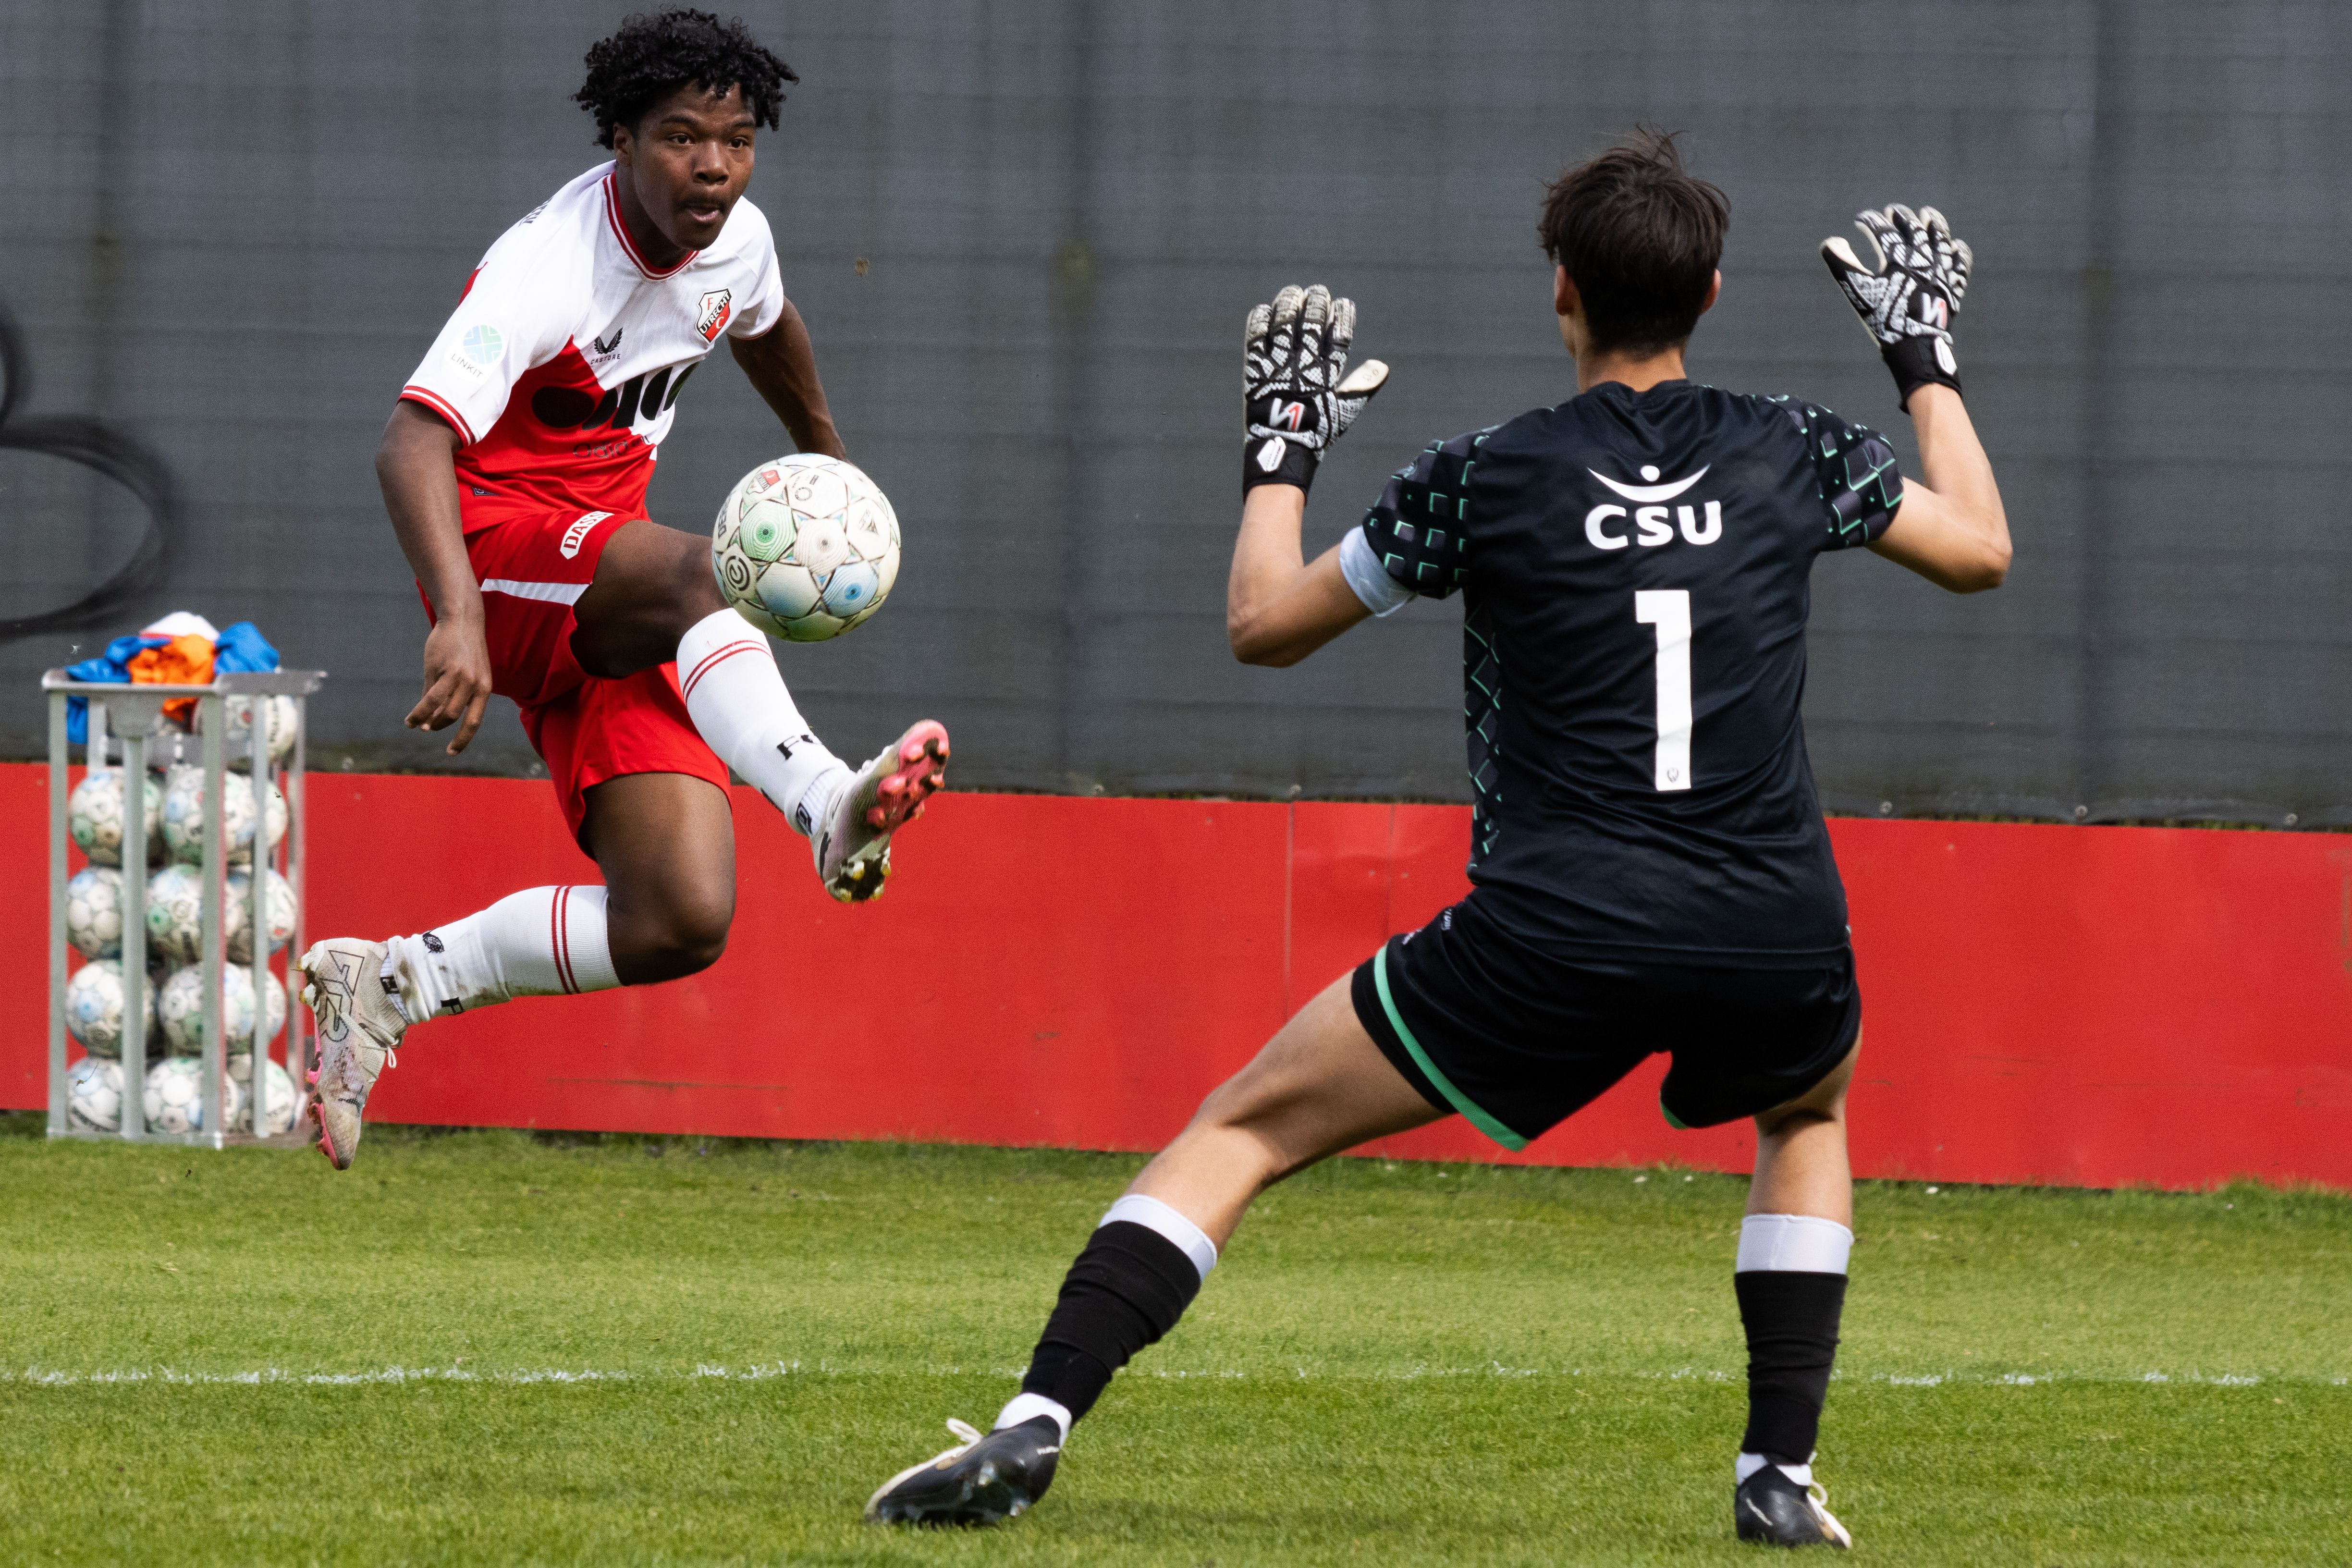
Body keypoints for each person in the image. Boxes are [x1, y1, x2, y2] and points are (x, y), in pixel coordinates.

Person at [864, 132, 2009, 1549]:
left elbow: (1261, 628)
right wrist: (1922, 352)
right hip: (1770, 923)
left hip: (1557, 932)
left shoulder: (1486, 476)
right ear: (1711, 294)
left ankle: (1035, 1423)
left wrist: (1279, 449)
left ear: (1560, 294)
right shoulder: (1796, 445)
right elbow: (1981, 548)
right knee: (1808, 1113)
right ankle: (1777, 1471)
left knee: (1245, 1124)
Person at [298, 9, 948, 1171]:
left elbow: (764, 322)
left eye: (737, 140)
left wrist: (824, 449)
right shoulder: (550, 264)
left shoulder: (736, 238)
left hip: (610, 582)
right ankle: (825, 808)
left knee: (679, 920)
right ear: (620, 137)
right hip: (495, 557)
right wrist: (455, 616)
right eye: (681, 138)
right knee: (715, 572)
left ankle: (390, 981)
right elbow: (409, 441)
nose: (711, 168)